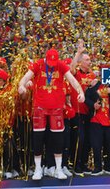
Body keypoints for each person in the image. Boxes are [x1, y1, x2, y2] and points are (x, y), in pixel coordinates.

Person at [18, 48, 85, 180]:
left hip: (56, 108)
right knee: (38, 137)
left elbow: (72, 80)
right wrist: (21, 86)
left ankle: (58, 169)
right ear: (46, 58)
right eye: (50, 63)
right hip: (40, 107)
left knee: (58, 138)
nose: (51, 66)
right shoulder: (38, 64)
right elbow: (24, 78)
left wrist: (80, 92)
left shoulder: (60, 65)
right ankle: (38, 169)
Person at [85, 76, 110, 175]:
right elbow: (86, 98)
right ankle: (98, 167)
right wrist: (93, 105)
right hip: (96, 120)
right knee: (96, 145)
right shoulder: (95, 85)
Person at [69, 39, 96, 175]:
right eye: (87, 59)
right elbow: (70, 69)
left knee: (88, 140)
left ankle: (84, 163)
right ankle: (75, 164)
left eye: (90, 59)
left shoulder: (92, 75)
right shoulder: (76, 73)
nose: (89, 61)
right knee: (79, 138)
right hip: (77, 112)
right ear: (81, 62)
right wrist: (78, 52)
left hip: (89, 112)